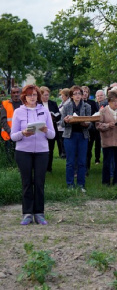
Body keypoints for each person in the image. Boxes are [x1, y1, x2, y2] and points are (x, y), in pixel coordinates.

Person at [10, 85, 55, 225]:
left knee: (40, 182)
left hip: (42, 151)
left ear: (38, 96)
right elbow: (13, 136)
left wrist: (46, 130)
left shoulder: (44, 111)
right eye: (29, 95)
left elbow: (52, 135)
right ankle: (27, 213)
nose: (32, 97)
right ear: (24, 97)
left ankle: (39, 213)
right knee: (27, 182)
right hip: (23, 151)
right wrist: (23, 133)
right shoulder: (18, 112)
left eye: (35, 95)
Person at [96, 90, 117, 186]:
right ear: (109, 101)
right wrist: (107, 125)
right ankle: (106, 182)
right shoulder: (102, 112)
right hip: (108, 141)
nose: (116, 103)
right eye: (113, 101)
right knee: (107, 163)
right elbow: (98, 125)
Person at [61, 86, 91, 192]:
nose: (77, 95)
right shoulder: (66, 106)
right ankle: (70, 184)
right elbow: (61, 123)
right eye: (75, 93)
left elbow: (90, 122)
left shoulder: (87, 106)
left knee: (82, 161)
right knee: (70, 162)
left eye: (79, 93)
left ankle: (81, 184)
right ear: (71, 96)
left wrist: (86, 124)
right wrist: (65, 121)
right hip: (70, 136)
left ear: (82, 95)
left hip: (82, 136)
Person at [40, 86, 60, 173]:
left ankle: (49, 167)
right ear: (40, 95)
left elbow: (59, 114)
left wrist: (54, 117)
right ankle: (41, 167)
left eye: (47, 95)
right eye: (44, 95)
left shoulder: (53, 103)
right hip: (40, 130)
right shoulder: (37, 104)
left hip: (51, 128)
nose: (46, 97)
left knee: (50, 149)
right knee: (41, 149)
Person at [0, 86, 22, 162]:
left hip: (22, 133)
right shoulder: (5, 104)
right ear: (11, 94)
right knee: (9, 154)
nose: (16, 94)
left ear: (20, 93)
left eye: (17, 92)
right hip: (8, 133)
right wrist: (10, 131)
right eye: (14, 92)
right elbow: (3, 120)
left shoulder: (25, 104)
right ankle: (11, 165)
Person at [82, 86, 99, 168]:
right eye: (83, 91)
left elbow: (97, 113)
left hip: (91, 128)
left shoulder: (92, 103)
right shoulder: (77, 103)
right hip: (80, 128)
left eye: (86, 92)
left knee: (89, 148)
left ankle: (87, 166)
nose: (85, 93)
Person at [57, 88, 71, 159]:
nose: (61, 97)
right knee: (60, 141)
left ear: (67, 96)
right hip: (59, 125)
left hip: (64, 125)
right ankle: (62, 153)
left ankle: (65, 154)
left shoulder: (68, 104)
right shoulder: (62, 103)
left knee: (64, 141)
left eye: (62, 95)